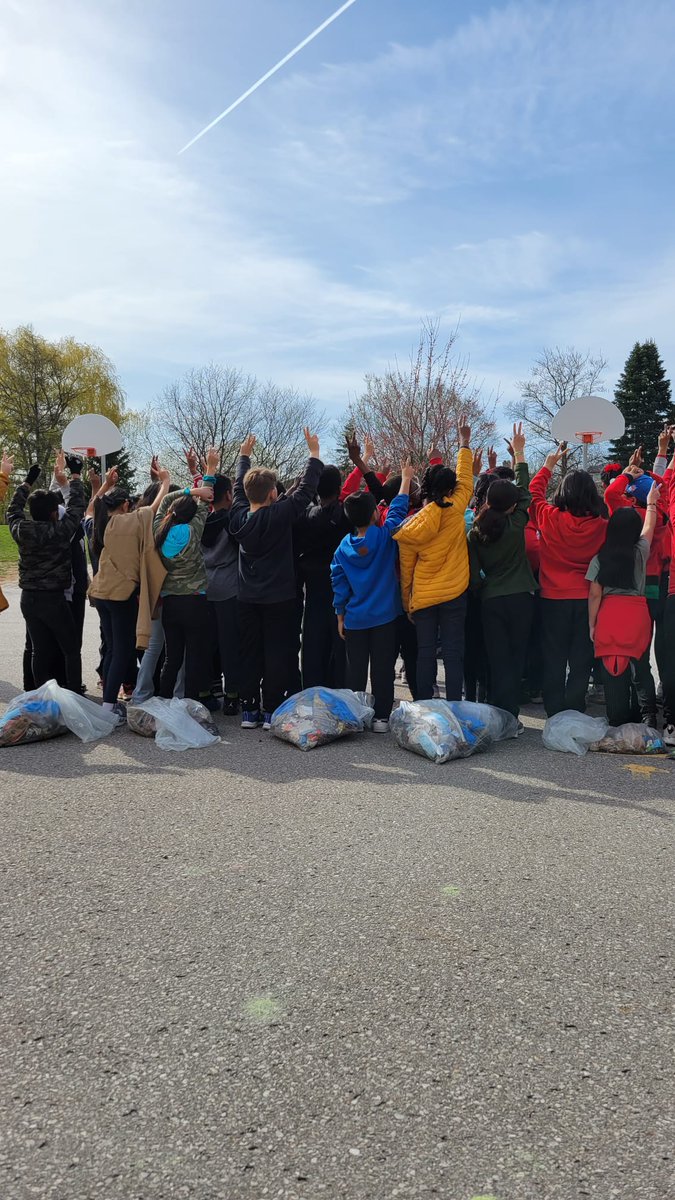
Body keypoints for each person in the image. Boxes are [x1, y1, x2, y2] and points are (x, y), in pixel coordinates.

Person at [229, 428, 323, 730]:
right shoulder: (280, 514)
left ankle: (249, 710)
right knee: (277, 653)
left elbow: (239, 489)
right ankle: (270, 710)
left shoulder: (239, 517)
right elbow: (305, 490)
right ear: (273, 493)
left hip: (246, 597)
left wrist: (243, 456)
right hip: (279, 598)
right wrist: (314, 455)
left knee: (249, 652)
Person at [393, 417, 474, 702]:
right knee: (453, 653)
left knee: (425, 653)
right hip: (455, 592)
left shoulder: (411, 526)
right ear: (452, 488)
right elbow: (466, 479)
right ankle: (455, 706)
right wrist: (464, 443)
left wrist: (407, 603)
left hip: (424, 597)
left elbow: (406, 570)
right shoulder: (458, 508)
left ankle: (425, 706)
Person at [331, 464, 413, 731]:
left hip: (355, 618)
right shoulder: (385, 536)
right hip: (385, 617)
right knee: (382, 669)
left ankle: (356, 714)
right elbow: (399, 508)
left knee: (355, 669)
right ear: (376, 512)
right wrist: (406, 480)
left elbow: (339, 583)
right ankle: (380, 717)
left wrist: (340, 615)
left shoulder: (343, 547)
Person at [529, 444, 607, 716]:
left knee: (553, 657)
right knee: (581, 659)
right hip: (587, 598)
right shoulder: (602, 526)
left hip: (553, 597)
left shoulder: (549, 518)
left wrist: (548, 465)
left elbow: (534, 493)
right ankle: (575, 707)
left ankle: (554, 710)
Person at [89, 466, 170, 722]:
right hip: (122, 595)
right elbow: (158, 504)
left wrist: (103, 485)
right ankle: (109, 705)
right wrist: (165, 482)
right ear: (126, 504)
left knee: (113, 648)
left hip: (101, 592)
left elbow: (93, 506)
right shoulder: (133, 520)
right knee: (123, 650)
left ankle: (108, 703)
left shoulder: (100, 522)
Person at [467, 423, 536, 725]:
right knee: (516, 657)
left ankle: (495, 711)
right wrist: (519, 454)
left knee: (496, 659)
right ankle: (511, 716)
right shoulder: (517, 523)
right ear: (511, 507)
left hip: (491, 598)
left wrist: (483, 586)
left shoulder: (475, 532)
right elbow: (526, 493)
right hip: (521, 595)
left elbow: (472, 574)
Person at [7, 451, 85, 693]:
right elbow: (76, 507)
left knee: (38, 650)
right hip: (53, 598)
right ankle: (73, 695)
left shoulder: (22, 529)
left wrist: (27, 481)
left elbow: (12, 510)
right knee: (70, 650)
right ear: (54, 513)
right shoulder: (60, 531)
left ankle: (39, 697)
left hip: (28, 597)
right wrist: (75, 475)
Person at [588, 480, 661, 727]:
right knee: (640, 666)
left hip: (609, 612)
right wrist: (651, 502)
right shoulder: (640, 551)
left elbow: (595, 594)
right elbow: (650, 526)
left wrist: (592, 623)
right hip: (637, 611)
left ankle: (618, 716)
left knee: (613, 667)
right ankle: (648, 715)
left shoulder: (600, 557)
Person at [153, 448, 217, 702]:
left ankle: (164, 701)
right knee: (194, 657)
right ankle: (190, 704)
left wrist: (190, 490)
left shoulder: (159, 529)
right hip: (195, 600)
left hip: (170, 602)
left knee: (172, 657)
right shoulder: (195, 529)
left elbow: (167, 501)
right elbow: (207, 501)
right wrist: (209, 470)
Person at [295, 464, 350, 689]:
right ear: (338, 488)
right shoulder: (347, 515)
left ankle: (311, 689)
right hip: (342, 587)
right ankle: (340, 690)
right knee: (340, 643)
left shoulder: (305, 515)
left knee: (313, 642)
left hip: (313, 584)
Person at [201, 473, 241, 714]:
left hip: (205, 586)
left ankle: (207, 692)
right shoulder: (232, 521)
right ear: (229, 494)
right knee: (230, 644)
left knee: (206, 644)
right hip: (229, 588)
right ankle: (232, 696)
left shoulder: (200, 520)